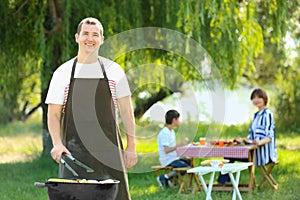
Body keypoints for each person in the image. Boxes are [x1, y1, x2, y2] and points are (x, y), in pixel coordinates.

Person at [46, 17, 137, 200]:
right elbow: (53, 114)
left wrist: (132, 146)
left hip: (110, 152)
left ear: (102, 39)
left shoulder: (114, 70)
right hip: (74, 152)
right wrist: (57, 144)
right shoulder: (62, 73)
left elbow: (127, 112)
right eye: (86, 34)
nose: (90, 38)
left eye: (95, 34)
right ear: (77, 37)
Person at [217, 88, 277, 184]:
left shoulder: (267, 114)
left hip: (263, 153)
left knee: (229, 154)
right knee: (229, 152)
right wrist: (243, 140)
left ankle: (223, 182)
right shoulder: (256, 115)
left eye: (259, 97)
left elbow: (269, 137)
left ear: (264, 99)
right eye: (254, 98)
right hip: (254, 150)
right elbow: (252, 137)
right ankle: (225, 181)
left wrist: (259, 142)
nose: (256, 100)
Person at [156, 110, 190, 188]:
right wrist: (180, 145)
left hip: (173, 158)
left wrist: (183, 155)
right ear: (174, 120)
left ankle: (172, 180)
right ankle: (165, 177)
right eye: (178, 119)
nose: (179, 121)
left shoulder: (171, 132)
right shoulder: (165, 133)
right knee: (186, 167)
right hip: (167, 159)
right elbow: (167, 150)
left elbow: (173, 149)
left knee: (189, 163)